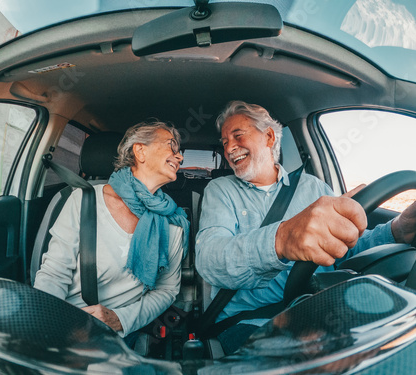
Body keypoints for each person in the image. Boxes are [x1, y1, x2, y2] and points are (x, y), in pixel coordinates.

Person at [195, 100, 416, 354]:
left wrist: (399, 229)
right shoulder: (220, 191)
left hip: (318, 307)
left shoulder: (314, 188)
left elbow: (349, 246)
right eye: (224, 142)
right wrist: (281, 240)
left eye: (237, 136)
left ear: (268, 137)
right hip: (251, 322)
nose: (229, 148)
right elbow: (209, 258)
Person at [35, 120, 190, 346]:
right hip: (62, 319)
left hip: (119, 333)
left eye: (179, 152)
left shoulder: (174, 224)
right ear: (140, 151)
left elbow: (167, 290)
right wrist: (50, 326)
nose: (180, 157)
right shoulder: (84, 200)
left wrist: (120, 320)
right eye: (171, 147)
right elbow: (54, 273)